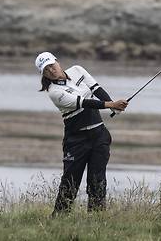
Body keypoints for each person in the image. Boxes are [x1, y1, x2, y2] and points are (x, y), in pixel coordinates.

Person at [35, 51, 128, 215]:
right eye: (46, 70)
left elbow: (97, 89)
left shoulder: (77, 70)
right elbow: (83, 102)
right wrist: (111, 104)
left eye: (51, 65)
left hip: (99, 134)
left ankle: (96, 218)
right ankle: (59, 219)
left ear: (57, 61)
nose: (51, 70)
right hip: (76, 140)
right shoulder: (54, 92)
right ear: (44, 75)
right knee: (70, 182)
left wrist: (114, 106)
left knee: (97, 180)